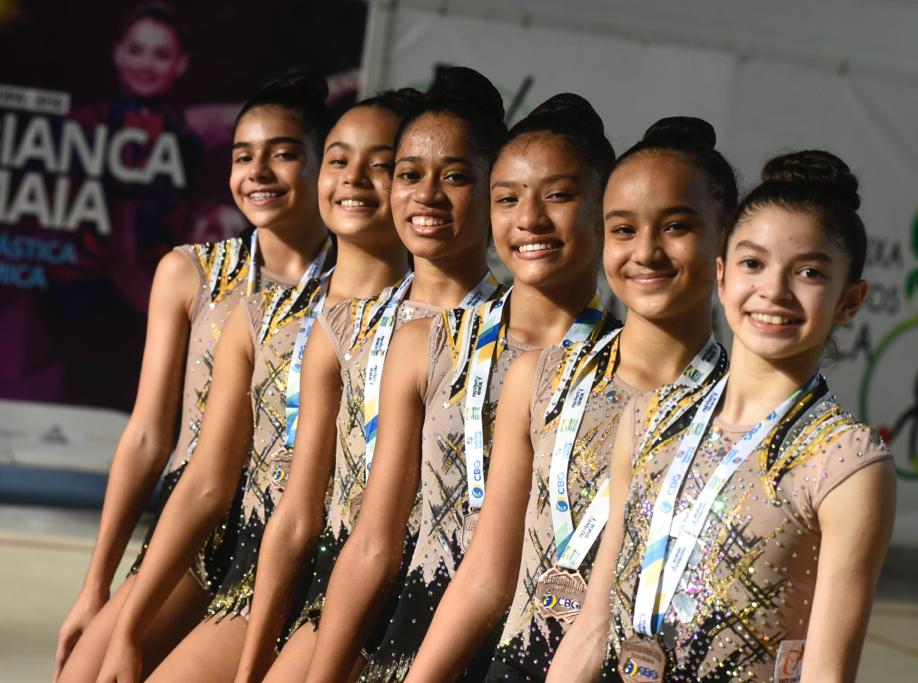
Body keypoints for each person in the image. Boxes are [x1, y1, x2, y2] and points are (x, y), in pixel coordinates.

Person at [72, 69, 393, 683]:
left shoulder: (352, 296)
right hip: (191, 531)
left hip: (287, 536)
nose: (259, 172)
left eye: (283, 154)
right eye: (244, 156)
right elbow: (147, 436)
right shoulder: (193, 274)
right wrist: (97, 583)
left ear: (318, 166)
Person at [405, 116, 738, 682]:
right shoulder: (541, 377)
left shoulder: (737, 415)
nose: (646, 252)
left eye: (677, 227)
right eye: (624, 229)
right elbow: (485, 577)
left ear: (726, 241)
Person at [302, 89, 619, 683]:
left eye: (558, 195)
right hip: (403, 635)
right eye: (509, 198)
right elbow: (374, 544)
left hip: (537, 656)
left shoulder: (624, 377)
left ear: (605, 211)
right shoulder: (430, 344)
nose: (530, 218)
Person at [549, 150, 897, 682]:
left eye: (808, 272)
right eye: (753, 264)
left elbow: (826, 674)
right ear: (721, 274)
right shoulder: (648, 418)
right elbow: (593, 628)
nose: (773, 290)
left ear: (850, 300)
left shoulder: (847, 463)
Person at [230, 78, 507, 683]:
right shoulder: (345, 328)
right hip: (332, 592)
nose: (428, 194)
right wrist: (252, 665)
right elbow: (300, 515)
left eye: (455, 177)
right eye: (409, 174)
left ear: (496, 190)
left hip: (464, 618)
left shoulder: (517, 343)